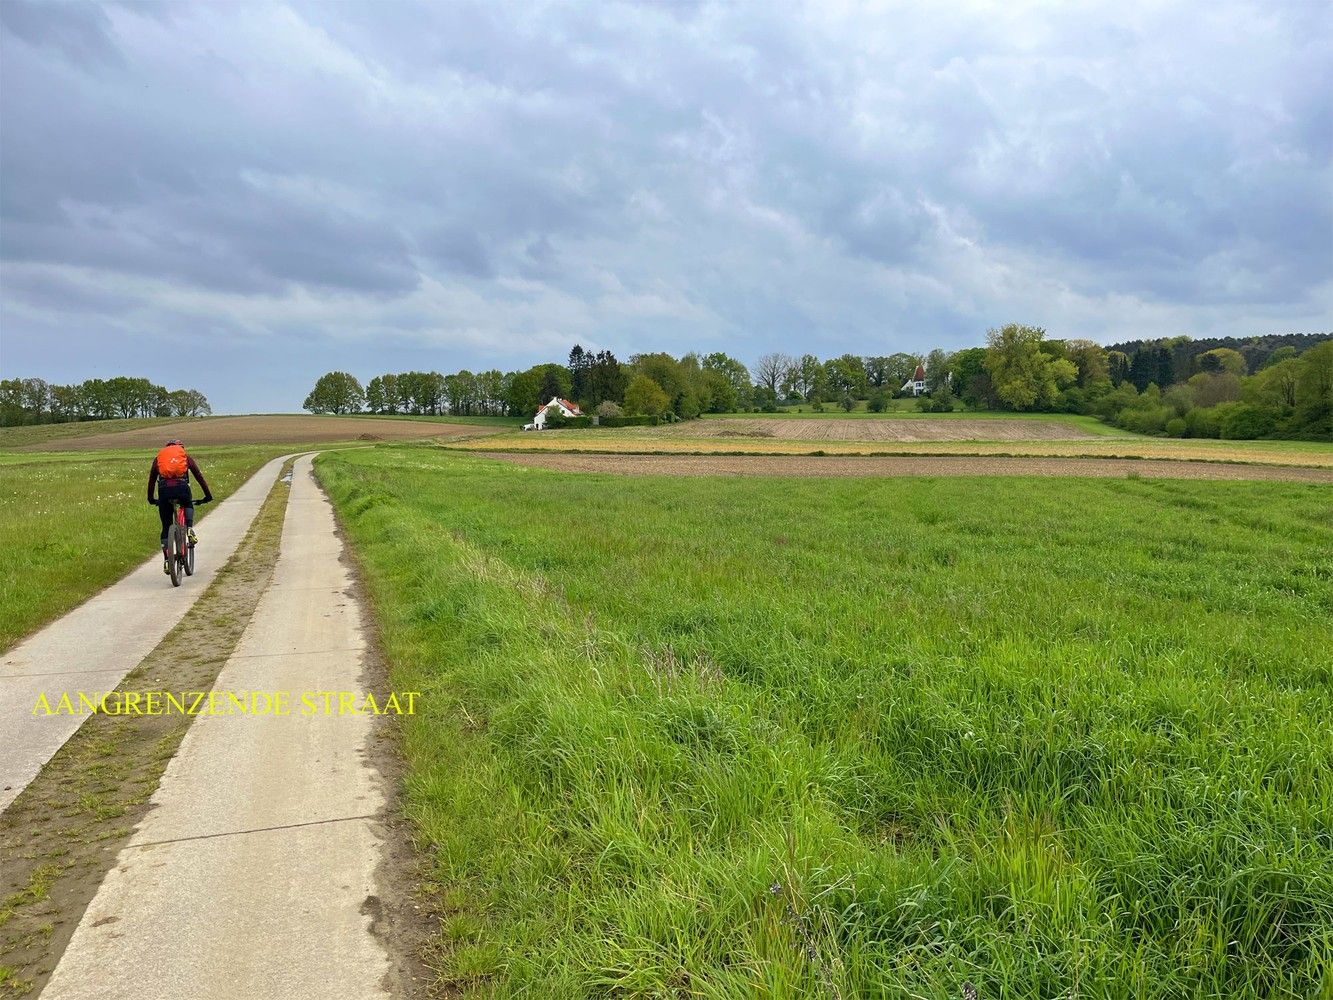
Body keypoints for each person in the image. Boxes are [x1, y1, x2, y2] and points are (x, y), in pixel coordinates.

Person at [147, 439, 213, 573]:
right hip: (182, 488)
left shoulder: (159, 459)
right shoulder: (185, 458)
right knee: (187, 503)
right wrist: (207, 495)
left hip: (164, 491)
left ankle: (167, 560)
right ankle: (189, 528)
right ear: (180, 448)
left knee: (166, 526)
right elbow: (199, 477)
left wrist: (151, 499)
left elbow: (152, 481)